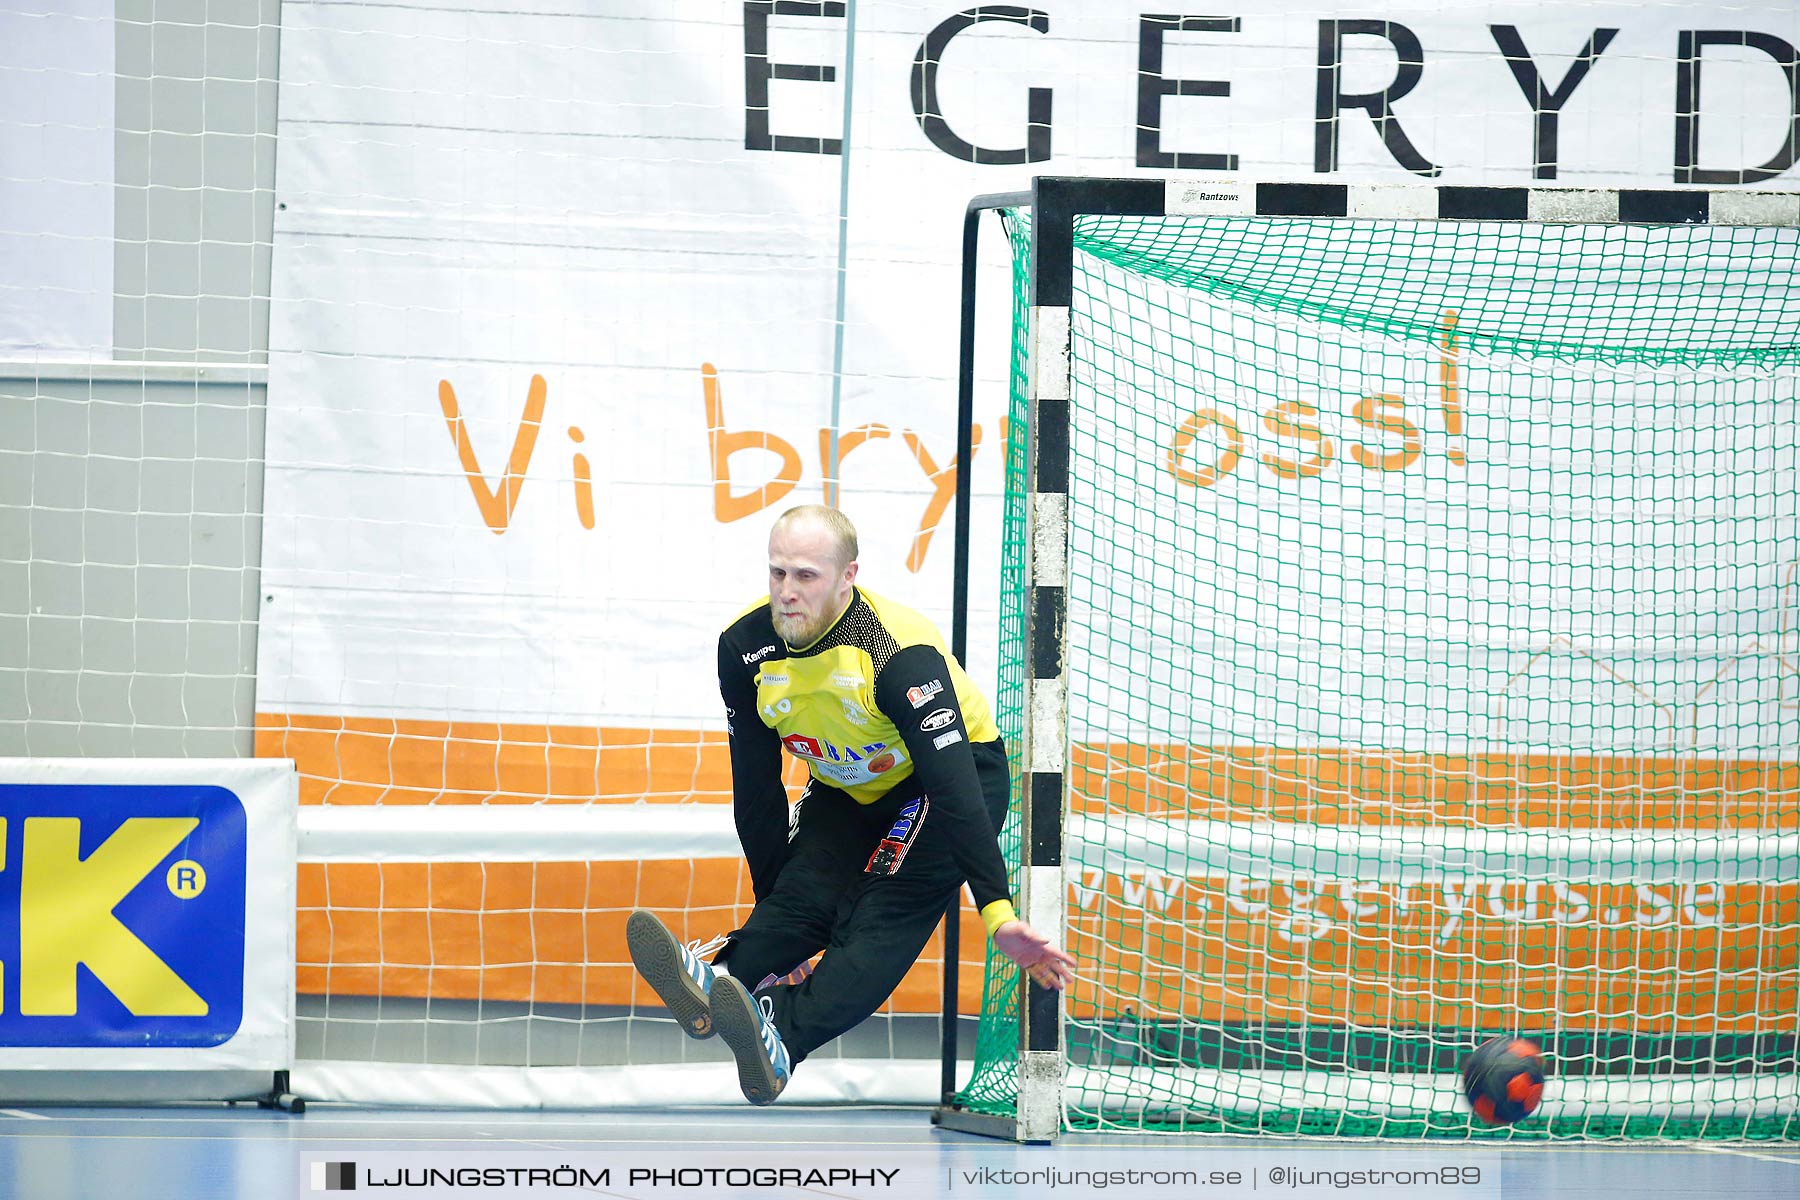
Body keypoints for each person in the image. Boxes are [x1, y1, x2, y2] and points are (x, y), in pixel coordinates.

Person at [627, 503, 1075, 1104]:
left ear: (848, 576)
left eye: (806, 576)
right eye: (777, 573)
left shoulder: (896, 654)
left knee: (878, 921)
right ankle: (727, 985)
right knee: (788, 912)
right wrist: (775, 914)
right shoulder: (744, 647)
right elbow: (755, 790)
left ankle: (782, 1035)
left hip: (939, 783)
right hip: (845, 789)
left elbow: (954, 786)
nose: (787, 593)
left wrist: (996, 911)